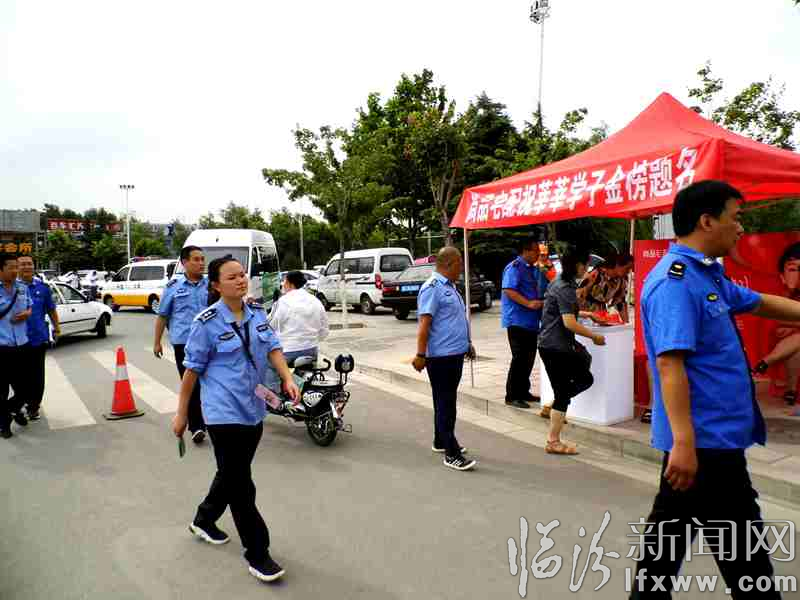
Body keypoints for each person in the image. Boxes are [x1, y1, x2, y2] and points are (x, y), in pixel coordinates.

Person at [630, 180, 800, 599]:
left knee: (663, 556)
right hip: (706, 447)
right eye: (735, 218)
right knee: (749, 568)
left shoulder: (706, 274)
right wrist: (684, 443)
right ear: (707, 221)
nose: (741, 228)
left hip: (709, 443)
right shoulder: (675, 283)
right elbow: (670, 364)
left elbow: (760, 302)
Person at [172, 256, 300, 583]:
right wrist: (182, 413)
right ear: (216, 285)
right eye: (232, 277)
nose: (241, 280)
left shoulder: (256, 313)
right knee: (242, 484)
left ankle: (204, 519)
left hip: (253, 408)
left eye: (242, 274)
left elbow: (273, 348)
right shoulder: (206, 322)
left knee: (231, 474)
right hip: (222, 413)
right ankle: (257, 553)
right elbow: (191, 372)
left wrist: (287, 378)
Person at [412, 246, 477, 472]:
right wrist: (420, 355)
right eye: (460, 263)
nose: (462, 268)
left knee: (444, 401)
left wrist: (467, 343)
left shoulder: (450, 287)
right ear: (450, 263)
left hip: (454, 354)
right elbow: (424, 325)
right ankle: (452, 453)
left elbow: (455, 320)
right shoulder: (432, 288)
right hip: (441, 357)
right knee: (446, 404)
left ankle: (440, 440)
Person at [537, 246, 605, 455]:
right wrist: (594, 336)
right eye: (585, 265)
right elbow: (569, 322)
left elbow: (562, 312)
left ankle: (552, 406)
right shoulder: (565, 287)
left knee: (583, 378)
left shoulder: (560, 282)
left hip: (554, 345)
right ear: (577, 265)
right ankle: (553, 441)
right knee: (568, 389)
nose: (587, 269)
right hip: (555, 347)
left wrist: (587, 314)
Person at [154, 245, 208, 443]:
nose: (201, 263)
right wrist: (157, 342)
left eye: (202, 259)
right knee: (191, 385)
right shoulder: (173, 286)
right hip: (184, 345)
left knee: (210, 383)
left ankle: (211, 419)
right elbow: (162, 315)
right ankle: (196, 426)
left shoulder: (211, 285)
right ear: (185, 262)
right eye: (196, 259)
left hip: (209, 343)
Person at [501, 237, 549, 409]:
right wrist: (528, 303)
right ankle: (512, 395)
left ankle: (523, 391)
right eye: (535, 251)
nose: (538, 254)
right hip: (517, 320)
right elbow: (508, 290)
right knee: (519, 358)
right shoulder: (514, 267)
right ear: (526, 251)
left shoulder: (532, 269)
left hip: (531, 321)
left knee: (529, 358)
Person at [752, 241, 800, 405]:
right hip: (781, 341)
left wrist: (792, 325)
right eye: (792, 269)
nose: (797, 274)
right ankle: (791, 391)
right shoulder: (778, 293)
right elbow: (774, 320)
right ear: (782, 274)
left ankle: (766, 362)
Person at [17, 255, 60, 421]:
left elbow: (51, 310)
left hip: (38, 338)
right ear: (17, 268)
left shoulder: (43, 288)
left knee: (37, 376)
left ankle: (33, 407)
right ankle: (19, 404)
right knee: (19, 376)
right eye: (23, 264)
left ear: (34, 267)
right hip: (15, 340)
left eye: (29, 264)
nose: (26, 267)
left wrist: (57, 328)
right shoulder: (10, 288)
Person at [0, 253, 32, 438]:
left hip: (21, 344)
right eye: (10, 267)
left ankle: (12, 410)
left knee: (26, 388)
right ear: (1, 269)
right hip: (2, 347)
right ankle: (4, 424)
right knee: (1, 390)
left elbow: (29, 305)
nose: (15, 271)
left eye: (16, 267)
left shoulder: (22, 287)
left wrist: (27, 313)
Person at [268, 270, 329, 364]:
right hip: (311, 351)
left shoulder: (283, 301)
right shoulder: (315, 301)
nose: (283, 285)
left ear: (290, 284)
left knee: (266, 367)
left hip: (288, 351)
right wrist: (311, 340)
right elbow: (324, 330)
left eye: (284, 282)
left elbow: (270, 326)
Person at [576, 252, 634, 323]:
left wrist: (626, 324)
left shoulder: (622, 280)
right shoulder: (596, 274)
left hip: (601, 314)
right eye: (627, 268)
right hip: (584, 314)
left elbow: (620, 303)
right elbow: (578, 295)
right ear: (618, 265)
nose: (628, 272)